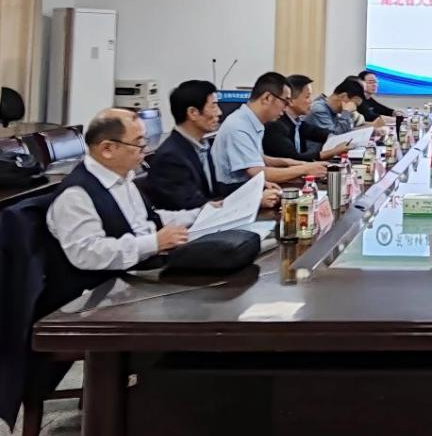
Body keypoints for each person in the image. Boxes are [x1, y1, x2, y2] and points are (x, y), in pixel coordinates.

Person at [47, 109, 197, 281]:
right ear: (107, 149)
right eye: (138, 143)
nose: (146, 149)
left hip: (145, 267)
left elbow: (146, 220)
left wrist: (200, 214)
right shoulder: (75, 195)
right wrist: (154, 242)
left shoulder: (123, 178)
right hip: (107, 285)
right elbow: (87, 253)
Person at [145, 80, 280, 211]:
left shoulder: (201, 146)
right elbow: (195, 207)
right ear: (193, 113)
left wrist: (255, 187)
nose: (219, 112)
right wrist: (253, 201)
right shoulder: (171, 157)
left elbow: (216, 190)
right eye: (213, 105)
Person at [212, 71, 327, 187]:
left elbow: (258, 159)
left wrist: (295, 163)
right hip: (233, 192)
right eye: (285, 102)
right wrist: (304, 169)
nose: (286, 108)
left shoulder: (251, 121)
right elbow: (259, 173)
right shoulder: (239, 126)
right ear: (267, 98)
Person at [263, 74, 352, 162]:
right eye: (307, 97)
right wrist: (333, 151)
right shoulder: (275, 125)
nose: (310, 101)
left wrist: (337, 138)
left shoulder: (297, 122)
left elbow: (320, 133)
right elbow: (294, 158)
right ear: (291, 101)